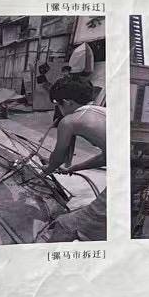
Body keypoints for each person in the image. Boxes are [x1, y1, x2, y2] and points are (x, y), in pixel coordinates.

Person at [35, 74, 106, 242]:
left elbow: (58, 157)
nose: (58, 109)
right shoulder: (101, 111)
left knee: (65, 224)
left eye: (57, 104)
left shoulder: (69, 121)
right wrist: (73, 168)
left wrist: (47, 170)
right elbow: (107, 157)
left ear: (67, 103)